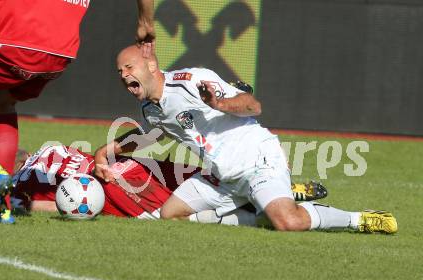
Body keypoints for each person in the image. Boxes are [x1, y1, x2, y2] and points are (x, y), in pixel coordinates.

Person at [94, 45, 398, 234]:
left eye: (128, 67)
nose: (123, 75)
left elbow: (254, 106)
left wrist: (220, 104)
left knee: (288, 224)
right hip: (223, 176)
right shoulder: (151, 108)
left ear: (150, 66)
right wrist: (111, 148)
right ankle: (267, 204)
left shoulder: (192, 81)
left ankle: (359, 219)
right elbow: (150, 135)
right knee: (170, 215)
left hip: (256, 160)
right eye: (119, 71)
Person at [0, 0, 156, 223]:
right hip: (60, 53)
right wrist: (145, 21)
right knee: (3, 99)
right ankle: (2, 207)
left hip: (19, 38)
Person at [5, 145, 325, 227]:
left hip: (106, 186)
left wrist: (16, 202)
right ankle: (270, 187)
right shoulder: (51, 149)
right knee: (196, 177)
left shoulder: (18, 182)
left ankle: (258, 203)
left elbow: (43, 203)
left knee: (170, 208)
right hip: (124, 164)